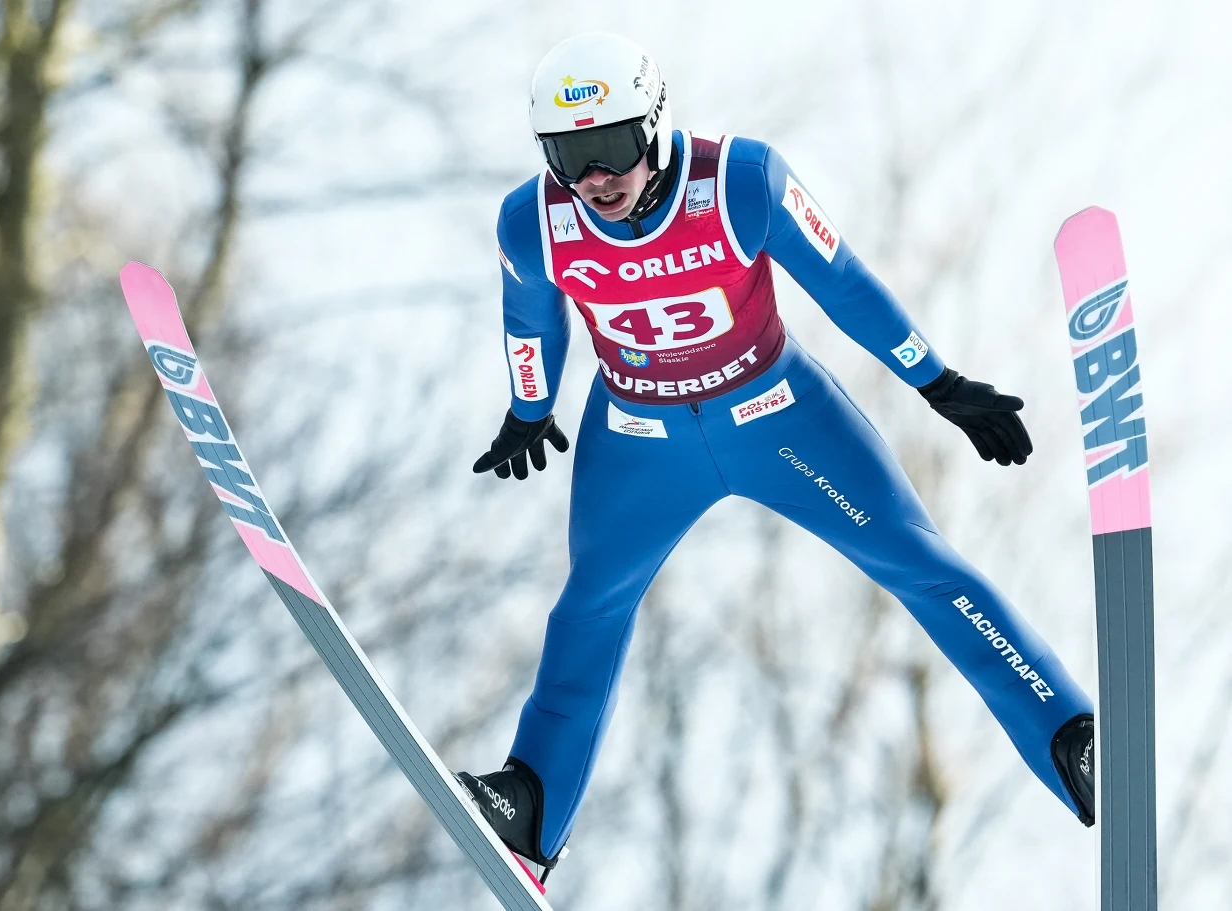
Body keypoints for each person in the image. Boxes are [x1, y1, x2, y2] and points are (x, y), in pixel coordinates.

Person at [457, 32, 1095, 881]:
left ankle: (1071, 734)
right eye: (570, 157)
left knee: (917, 560)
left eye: (610, 147)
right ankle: (532, 807)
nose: (595, 178)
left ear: (653, 125)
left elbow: (843, 281)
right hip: (640, 440)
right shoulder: (532, 221)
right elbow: (531, 317)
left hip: (781, 416)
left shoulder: (740, 183)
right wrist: (529, 408)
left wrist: (938, 383)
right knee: (589, 607)